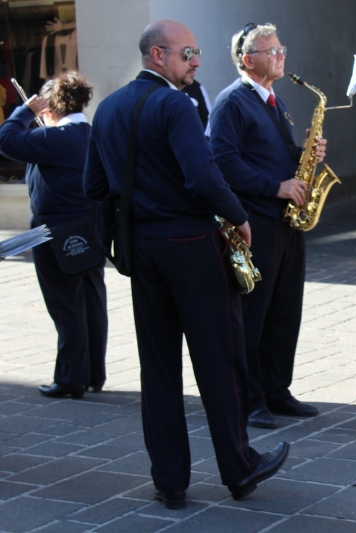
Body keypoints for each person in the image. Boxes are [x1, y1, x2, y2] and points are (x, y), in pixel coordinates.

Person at [83, 20, 289, 509]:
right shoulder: (175, 104)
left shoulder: (107, 108)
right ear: (158, 55)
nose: (197, 61)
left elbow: (93, 186)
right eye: (188, 53)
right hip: (192, 244)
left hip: (140, 247)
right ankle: (239, 468)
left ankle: (169, 480)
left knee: (157, 367)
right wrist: (239, 216)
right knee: (220, 358)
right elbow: (203, 176)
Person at [209, 22, 324, 429]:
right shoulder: (231, 102)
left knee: (284, 309)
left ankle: (277, 389)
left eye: (281, 49)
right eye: (271, 51)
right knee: (253, 313)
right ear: (247, 60)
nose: (280, 56)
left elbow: (271, 155)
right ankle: (250, 399)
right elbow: (223, 162)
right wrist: (276, 187)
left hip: (285, 221)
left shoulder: (273, 100)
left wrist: (306, 153)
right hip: (255, 221)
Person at [0, 71, 107, 399]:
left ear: (49, 105)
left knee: (66, 306)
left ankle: (71, 377)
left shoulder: (56, 138)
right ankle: (92, 374)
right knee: (92, 301)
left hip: (53, 233)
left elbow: (5, 139)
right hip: (90, 229)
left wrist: (25, 112)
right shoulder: (92, 133)